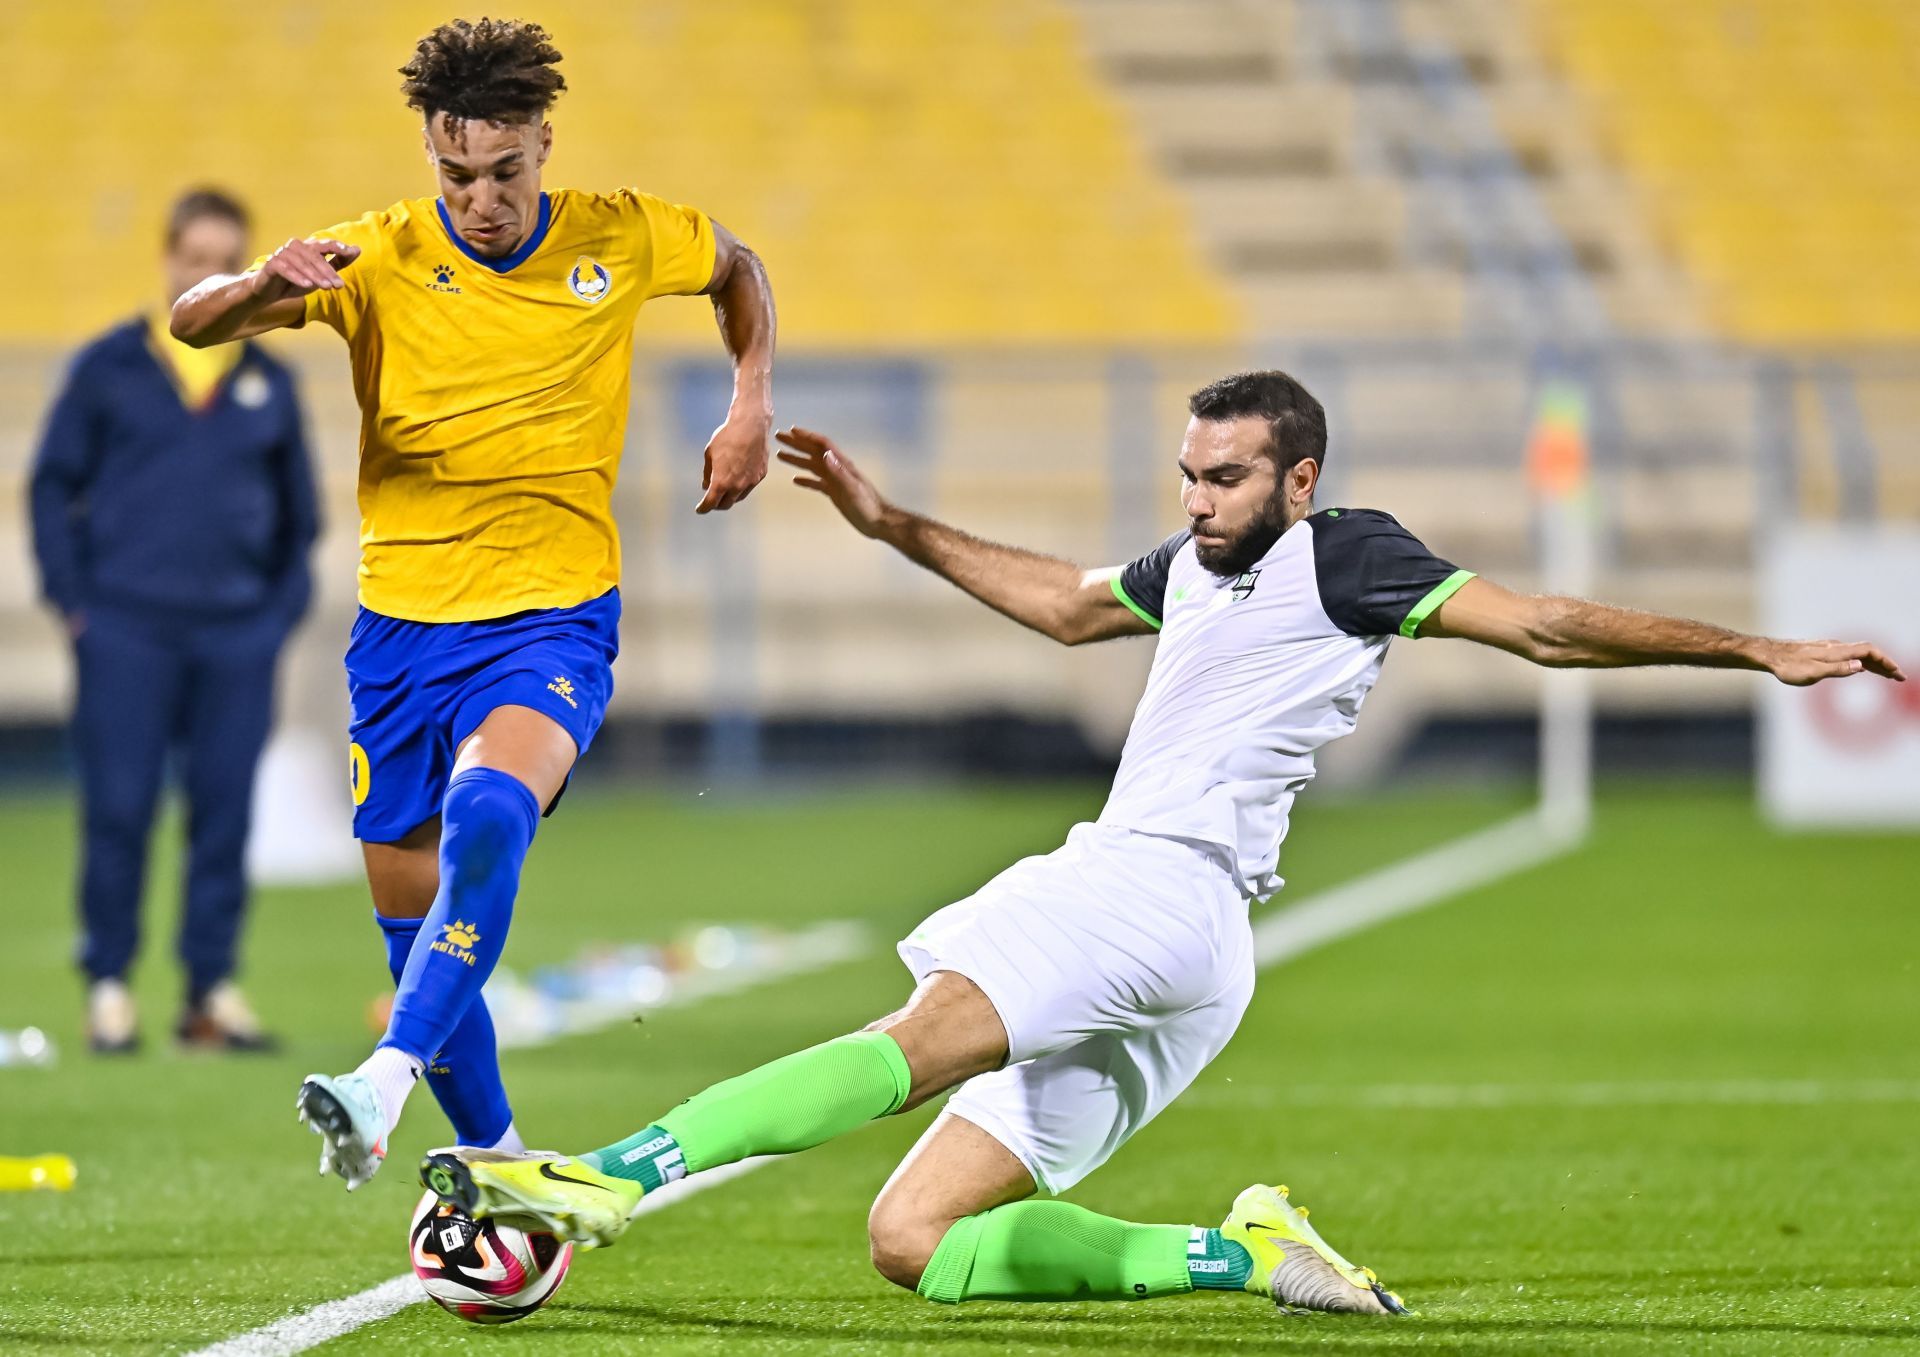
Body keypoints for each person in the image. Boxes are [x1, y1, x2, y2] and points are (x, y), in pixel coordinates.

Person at [418, 371, 1905, 1317]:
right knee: (918, 1244)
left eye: (1229, 478)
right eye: (1190, 474)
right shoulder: (1194, 565)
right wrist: (894, 529)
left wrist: (1757, 650)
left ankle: (605, 1177)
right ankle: (1247, 1250)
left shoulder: (1345, 552)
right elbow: (1065, 605)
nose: (1199, 501)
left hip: (1147, 888)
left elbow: (1551, 627)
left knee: (921, 1032)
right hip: (1199, 955)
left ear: (1299, 480)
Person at [169, 18, 777, 1186]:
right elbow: (194, 320)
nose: (484, 198)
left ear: (545, 143)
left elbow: (738, 267)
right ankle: (499, 1159)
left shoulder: (623, 232)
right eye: (458, 175)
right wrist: (260, 286)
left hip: (550, 618)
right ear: (429, 158)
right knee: (416, 929)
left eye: (508, 171)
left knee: (490, 815)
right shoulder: (372, 257)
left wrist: (750, 400)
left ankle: (381, 1080)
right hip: (398, 636)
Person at [29, 188, 318, 1055]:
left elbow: (300, 521)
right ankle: (110, 988)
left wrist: (275, 616)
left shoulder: (270, 377)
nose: (206, 272)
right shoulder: (108, 367)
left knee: (224, 816)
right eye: (194, 257)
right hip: (126, 628)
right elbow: (51, 486)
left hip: (236, 634)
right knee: (119, 809)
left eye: (226, 259)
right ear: (167, 260)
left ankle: (209, 991)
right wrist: (75, 604)